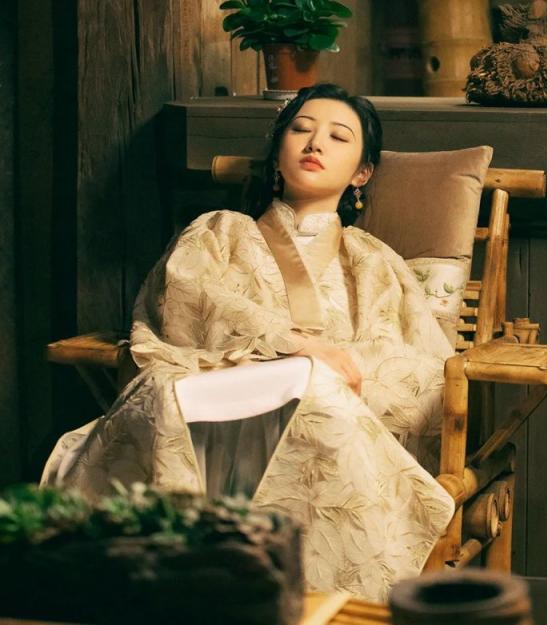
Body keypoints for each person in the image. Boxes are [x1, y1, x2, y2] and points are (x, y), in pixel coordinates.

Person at [41, 83, 455, 601]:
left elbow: (412, 359)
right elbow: (186, 299)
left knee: (319, 391)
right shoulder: (220, 230)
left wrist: (322, 369)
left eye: (338, 136)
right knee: (170, 394)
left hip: (315, 410)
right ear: (277, 153)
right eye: (301, 129)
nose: (315, 143)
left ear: (362, 174)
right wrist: (296, 345)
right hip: (214, 393)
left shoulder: (372, 260)